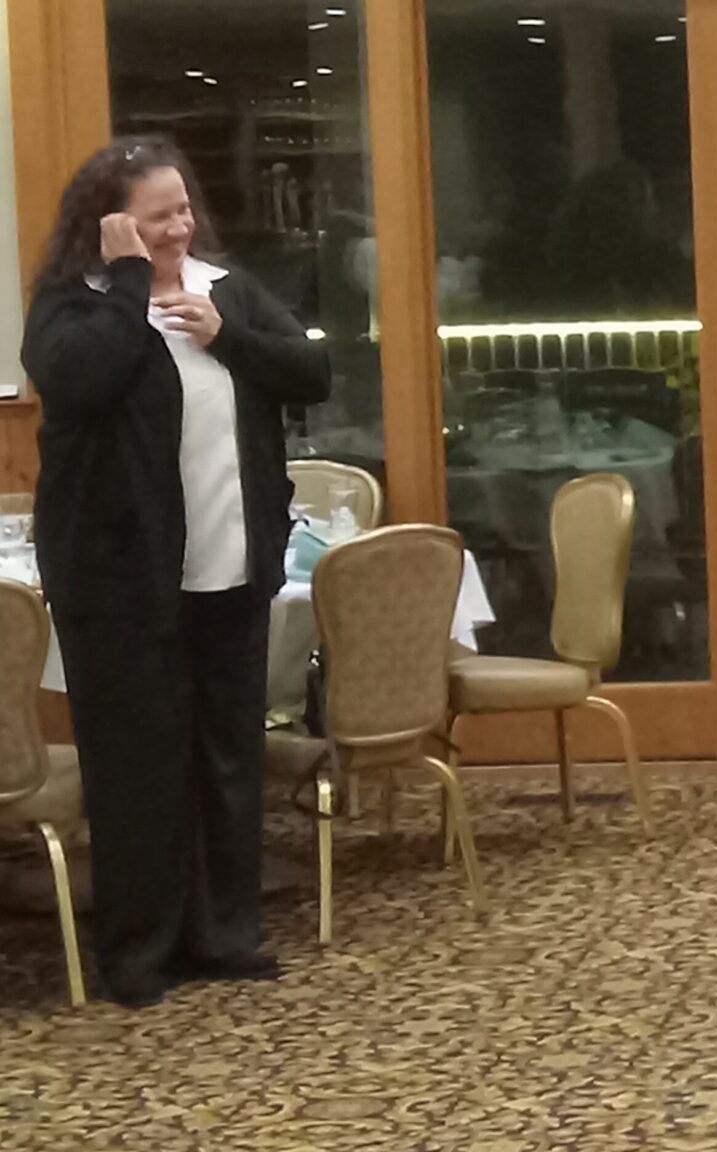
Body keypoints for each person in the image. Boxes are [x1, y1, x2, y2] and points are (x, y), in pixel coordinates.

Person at [22, 137, 330, 1008]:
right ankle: (139, 950)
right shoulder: (74, 303)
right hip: (119, 582)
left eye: (184, 208)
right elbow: (79, 380)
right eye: (157, 217)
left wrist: (228, 339)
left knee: (227, 756)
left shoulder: (227, 290)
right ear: (111, 223)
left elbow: (312, 371)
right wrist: (128, 282)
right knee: (138, 769)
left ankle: (222, 933)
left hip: (231, 566)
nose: (179, 227)